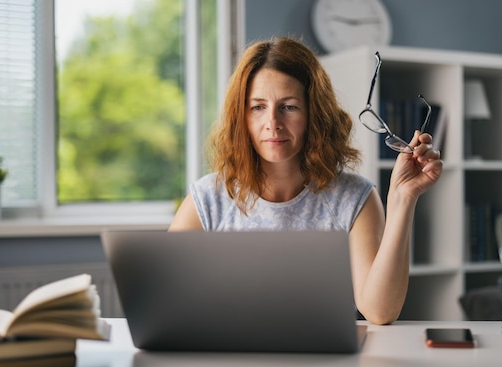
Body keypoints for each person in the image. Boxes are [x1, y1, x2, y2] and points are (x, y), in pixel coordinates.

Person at [169, 36, 443, 325]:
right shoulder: (208, 198)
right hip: (232, 360)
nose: (272, 122)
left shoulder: (354, 198)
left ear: (315, 113)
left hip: (326, 364)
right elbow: (165, 298)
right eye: (258, 107)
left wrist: (402, 198)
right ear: (242, 117)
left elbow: (379, 311)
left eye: (288, 107)